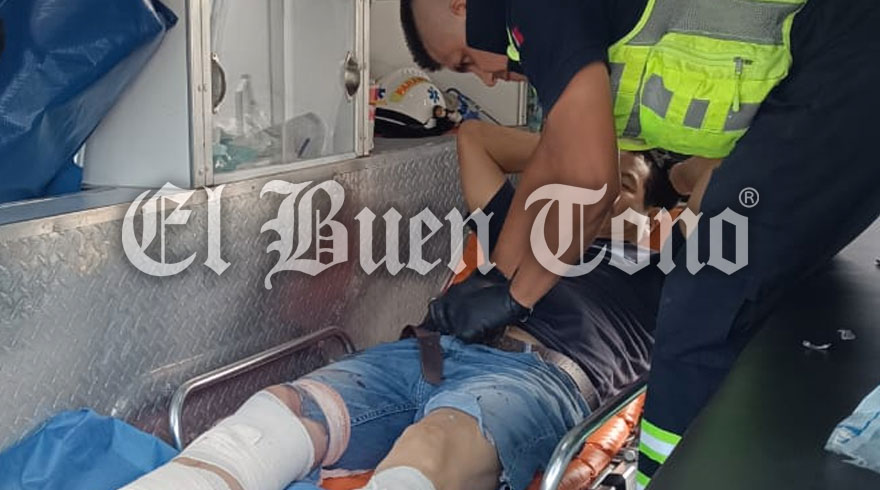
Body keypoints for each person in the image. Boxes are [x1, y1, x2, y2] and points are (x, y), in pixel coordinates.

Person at [399, 0, 880, 486]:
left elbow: (595, 180)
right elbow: (543, 156)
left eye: (466, 60)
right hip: (832, 76)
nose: (484, 78)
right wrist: (498, 278)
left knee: (705, 294)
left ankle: (662, 477)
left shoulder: (662, 263)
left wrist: (516, 298)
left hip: (846, 61)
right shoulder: (542, 225)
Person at [121, 123, 682, 490]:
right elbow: (475, 139)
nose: (602, 190)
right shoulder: (523, 228)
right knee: (273, 416)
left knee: (431, 444)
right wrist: (586, 151)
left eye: (624, 185)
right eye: (596, 176)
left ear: (657, 214)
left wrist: (666, 171)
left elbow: (714, 182)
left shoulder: (668, 269)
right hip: (425, 351)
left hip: (534, 377)